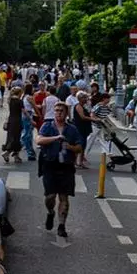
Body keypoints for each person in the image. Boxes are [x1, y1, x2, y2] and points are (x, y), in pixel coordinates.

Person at [37, 99, 84, 238]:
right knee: (50, 196)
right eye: (56, 111)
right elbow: (39, 140)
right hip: (50, 164)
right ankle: (50, 212)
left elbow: (80, 146)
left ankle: (62, 225)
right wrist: (55, 138)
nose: (58, 113)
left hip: (66, 166)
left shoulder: (72, 129)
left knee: (64, 197)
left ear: (66, 113)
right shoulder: (47, 126)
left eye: (61, 111)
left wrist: (70, 147)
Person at [0, 87, 24, 163]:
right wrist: (30, 119)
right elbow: (24, 111)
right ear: (19, 93)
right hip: (17, 121)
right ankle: (6, 153)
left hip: (11, 120)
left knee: (12, 137)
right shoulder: (19, 101)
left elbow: (9, 112)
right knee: (16, 138)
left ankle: (16, 157)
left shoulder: (10, 100)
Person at [72, 92, 95, 169]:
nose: (85, 99)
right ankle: (75, 161)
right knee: (79, 145)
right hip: (80, 128)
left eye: (86, 97)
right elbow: (82, 117)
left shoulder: (84, 106)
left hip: (84, 128)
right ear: (79, 99)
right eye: (84, 98)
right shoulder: (78, 106)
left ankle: (80, 162)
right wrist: (93, 119)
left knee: (83, 145)